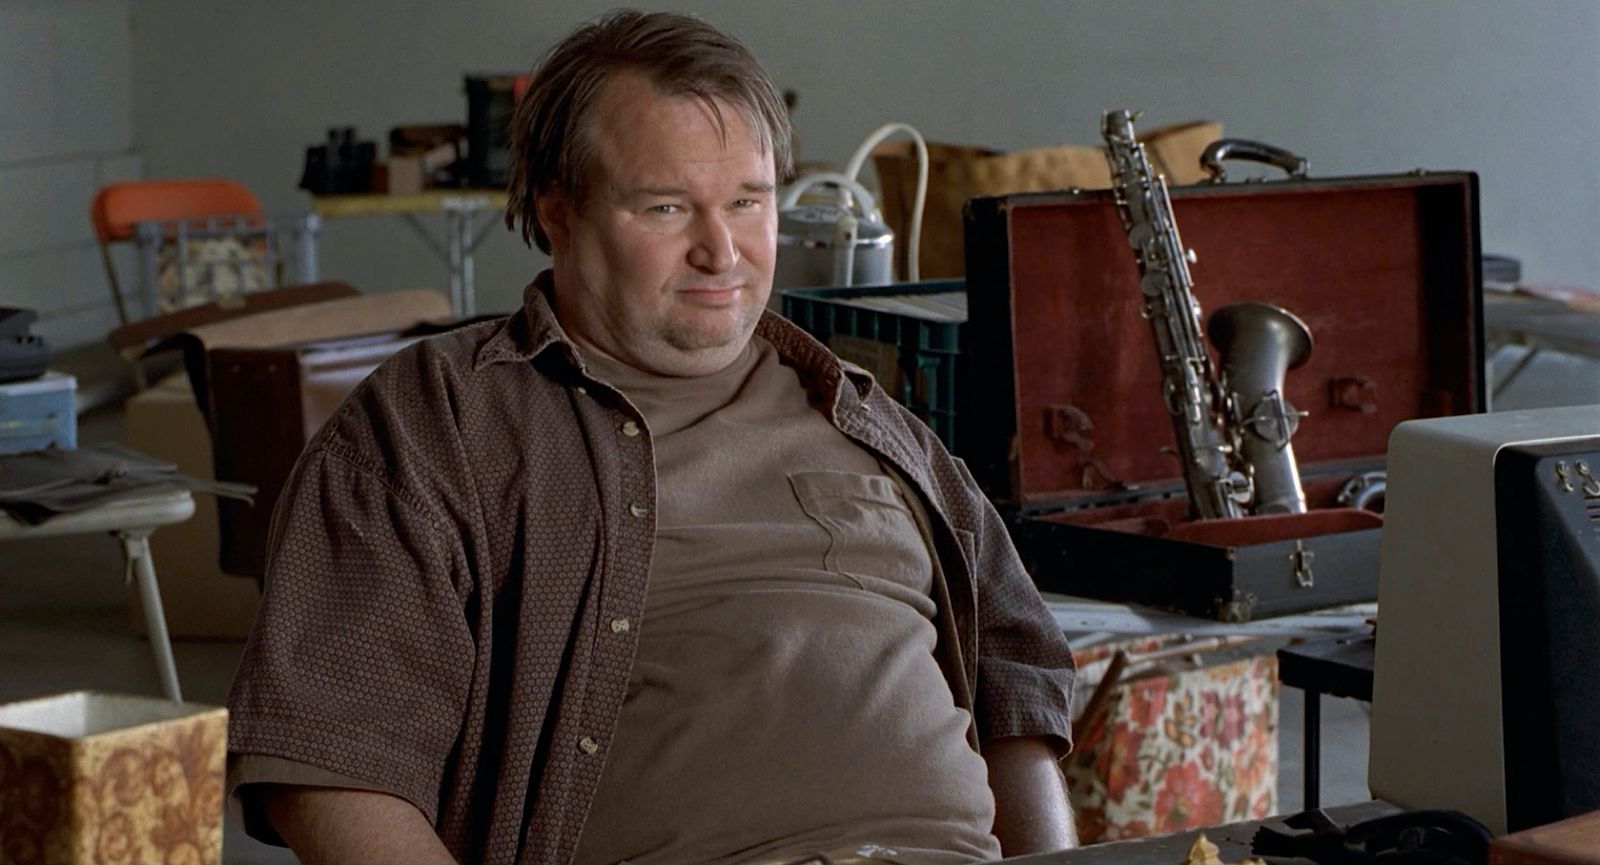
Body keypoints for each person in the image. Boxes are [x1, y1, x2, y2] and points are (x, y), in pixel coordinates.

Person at [226, 10, 1078, 865]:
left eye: (748, 201)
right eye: (667, 207)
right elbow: (330, 762)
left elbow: (1017, 681)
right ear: (558, 211)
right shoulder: (433, 424)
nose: (723, 250)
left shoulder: (867, 419)